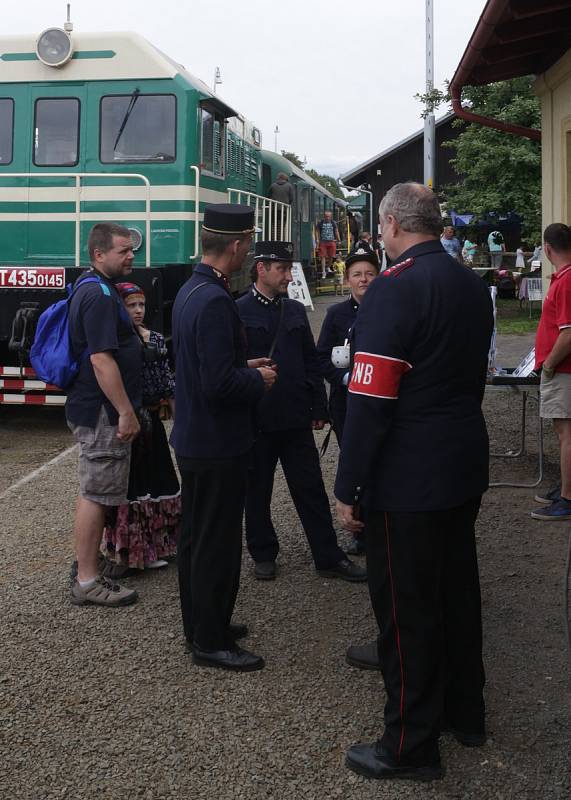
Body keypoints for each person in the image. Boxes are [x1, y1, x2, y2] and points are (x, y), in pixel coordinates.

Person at [335, 182, 493, 781]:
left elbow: (370, 400)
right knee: (457, 592)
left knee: (405, 608)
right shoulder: (469, 284)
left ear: (394, 225)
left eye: (380, 226)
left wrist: (349, 485)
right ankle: (465, 713)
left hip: (407, 474)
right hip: (460, 459)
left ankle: (410, 743)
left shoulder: (392, 289)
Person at [171, 204, 277, 672]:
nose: (249, 250)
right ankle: (211, 640)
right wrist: (258, 381)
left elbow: (199, 368)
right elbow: (217, 384)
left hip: (195, 438)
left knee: (195, 538)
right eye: (249, 243)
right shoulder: (215, 300)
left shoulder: (190, 290)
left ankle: (200, 622)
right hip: (218, 443)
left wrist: (241, 367)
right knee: (215, 543)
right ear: (235, 245)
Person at [237, 240, 367, 584]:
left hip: (295, 416)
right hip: (258, 418)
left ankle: (328, 555)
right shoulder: (238, 309)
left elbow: (311, 360)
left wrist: (318, 407)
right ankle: (263, 553)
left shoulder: (293, 310)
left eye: (289, 268)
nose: (289, 275)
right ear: (261, 268)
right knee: (258, 490)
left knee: (310, 489)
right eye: (282, 268)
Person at [67, 223, 142, 607]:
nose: (131, 256)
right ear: (99, 255)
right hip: (101, 412)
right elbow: (100, 358)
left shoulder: (97, 287)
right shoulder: (97, 295)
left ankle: (86, 565)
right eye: (123, 251)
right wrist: (125, 412)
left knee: (94, 490)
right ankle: (86, 580)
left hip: (98, 409)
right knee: (95, 494)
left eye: (132, 250)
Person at [101, 282, 179, 574]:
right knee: (131, 487)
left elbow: (166, 380)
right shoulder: (117, 343)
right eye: (130, 305)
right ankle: (131, 552)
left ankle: (159, 545)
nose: (137, 310)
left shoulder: (156, 339)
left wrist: (175, 412)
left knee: (158, 480)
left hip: (152, 420)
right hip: (129, 422)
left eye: (141, 305)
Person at [316, 248, 379, 555]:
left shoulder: (389, 310)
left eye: (369, 273)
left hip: (381, 402)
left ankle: (379, 525)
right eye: (357, 274)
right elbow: (320, 357)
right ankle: (360, 529)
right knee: (354, 461)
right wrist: (344, 379)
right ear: (347, 280)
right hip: (346, 403)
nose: (363, 279)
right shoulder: (336, 314)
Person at [531, 223, 571, 520]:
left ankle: (568, 499)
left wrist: (549, 363)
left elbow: (568, 333)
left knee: (566, 434)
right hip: (562, 369)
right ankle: (567, 488)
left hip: (564, 370)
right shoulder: (563, 278)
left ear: (547, 248)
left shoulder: (567, 280)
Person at [316, 210, 341, 279]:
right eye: (326, 216)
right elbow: (317, 231)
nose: (327, 218)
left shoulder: (333, 223)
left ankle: (328, 267)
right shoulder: (320, 223)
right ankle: (323, 271)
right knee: (323, 256)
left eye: (329, 216)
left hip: (331, 241)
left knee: (332, 256)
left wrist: (339, 240)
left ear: (331, 217)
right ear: (324, 216)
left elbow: (336, 231)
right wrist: (317, 239)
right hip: (323, 242)